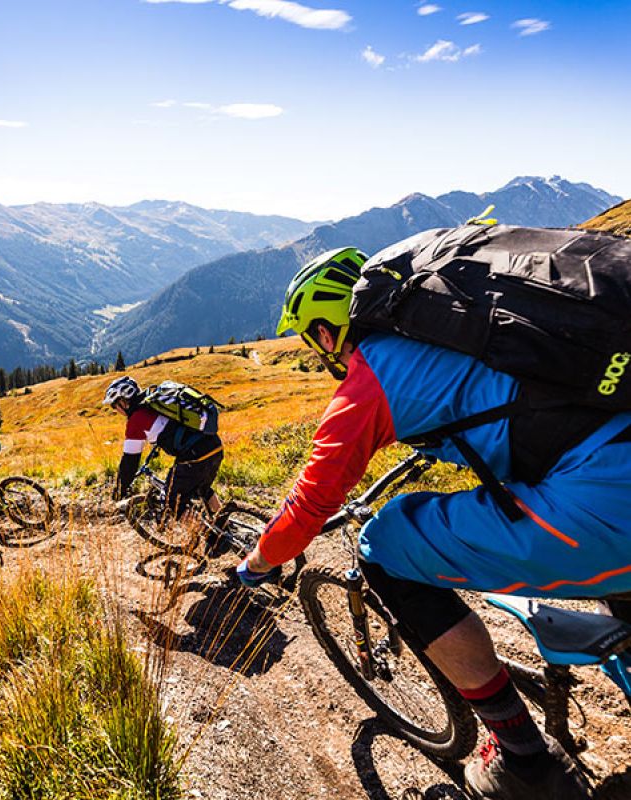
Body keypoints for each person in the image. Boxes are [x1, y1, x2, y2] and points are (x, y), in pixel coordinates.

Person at [235, 247, 626, 799]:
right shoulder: (467, 327)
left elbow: (304, 514)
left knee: (383, 547)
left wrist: (253, 566)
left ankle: (524, 762)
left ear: (324, 335)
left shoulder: (367, 385)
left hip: (605, 507)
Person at [103, 376, 224, 521]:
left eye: (115, 405)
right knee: (201, 489)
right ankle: (224, 523)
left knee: (171, 503)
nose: (116, 410)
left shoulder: (136, 421)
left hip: (196, 456)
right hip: (214, 446)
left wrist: (119, 490)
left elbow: (129, 462)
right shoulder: (154, 403)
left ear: (123, 401)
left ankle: (215, 540)